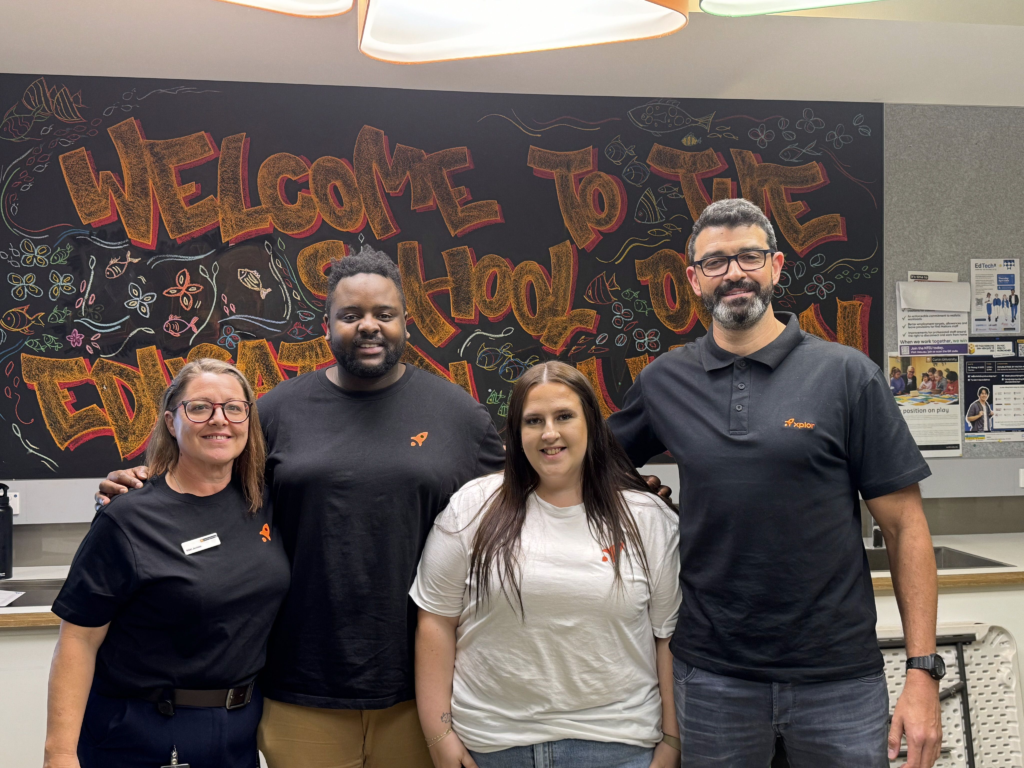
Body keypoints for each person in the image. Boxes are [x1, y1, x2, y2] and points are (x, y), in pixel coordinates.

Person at [97, 246, 506, 768]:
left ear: (407, 321)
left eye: (384, 314)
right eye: (351, 315)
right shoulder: (276, 411)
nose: (369, 327)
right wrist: (144, 483)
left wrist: (626, 492)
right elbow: (209, 483)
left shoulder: (459, 415)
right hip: (299, 687)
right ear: (327, 325)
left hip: (424, 691)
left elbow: (526, 501)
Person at [607, 198, 943, 768]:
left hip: (838, 677)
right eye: (715, 262)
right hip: (713, 676)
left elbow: (906, 527)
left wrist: (922, 673)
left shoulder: (846, 374)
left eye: (749, 256)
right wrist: (641, 494)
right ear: (693, 279)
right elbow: (596, 465)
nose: (734, 272)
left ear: (776, 266)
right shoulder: (665, 381)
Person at [412, 362, 682, 768]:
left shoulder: (647, 518)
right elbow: (435, 622)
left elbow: (667, 638)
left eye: (564, 417)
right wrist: (439, 738)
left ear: (591, 424)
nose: (549, 433)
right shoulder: (471, 508)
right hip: (492, 747)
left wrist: (672, 743)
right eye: (533, 420)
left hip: (617, 746)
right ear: (517, 434)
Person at [45, 359, 290, 768]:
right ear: (171, 422)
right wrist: (59, 755)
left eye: (234, 407)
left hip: (239, 731)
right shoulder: (128, 517)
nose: (220, 420)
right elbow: (78, 641)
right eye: (199, 407)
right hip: (145, 731)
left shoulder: (264, 504)